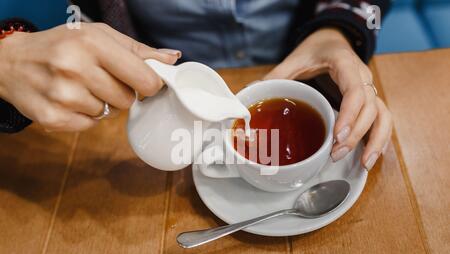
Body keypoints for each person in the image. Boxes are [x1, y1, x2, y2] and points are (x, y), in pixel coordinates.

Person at [0, 0, 392, 170]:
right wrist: (8, 55)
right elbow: (68, 15)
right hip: (148, 96)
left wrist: (336, 30)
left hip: (306, 63)